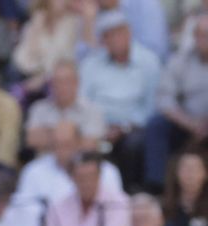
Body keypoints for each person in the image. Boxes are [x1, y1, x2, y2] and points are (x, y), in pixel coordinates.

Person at [78, 9, 160, 186]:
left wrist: (124, 127)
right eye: (108, 35)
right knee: (82, 141)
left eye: (119, 33)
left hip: (133, 127)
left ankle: (131, 190)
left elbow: (151, 106)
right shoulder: (91, 64)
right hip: (97, 125)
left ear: (129, 33)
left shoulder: (149, 62)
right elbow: (82, 100)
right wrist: (99, 126)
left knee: (134, 144)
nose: (115, 39)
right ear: (102, 40)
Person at [144, 13, 208, 192]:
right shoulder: (181, 60)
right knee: (156, 125)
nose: (204, 40)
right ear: (194, 37)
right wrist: (189, 123)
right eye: (201, 35)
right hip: (187, 123)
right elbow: (164, 98)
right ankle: (158, 187)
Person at [24, 60, 106, 154]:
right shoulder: (38, 108)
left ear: (77, 83)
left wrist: (49, 133)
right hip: (45, 164)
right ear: (51, 84)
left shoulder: (93, 110)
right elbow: (32, 140)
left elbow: (91, 144)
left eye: (67, 81)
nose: (62, 86)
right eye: (57, 81)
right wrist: (76, 136)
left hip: (80, 165)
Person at [13, 0, 82, 98]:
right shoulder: (33, 25)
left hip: (58, 81)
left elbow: (69, 58)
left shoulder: (73, 23)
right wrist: (36, 29)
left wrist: (44, 77)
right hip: (33, 79)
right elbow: (22, 61)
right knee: (16, 92)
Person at [162, 148, 208, 226]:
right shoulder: (164, 207)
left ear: (205, 174)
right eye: (186, 168)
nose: (190, 174)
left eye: (195, 169)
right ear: (176, 173)